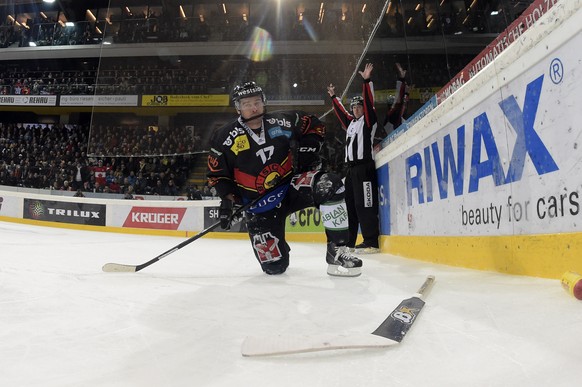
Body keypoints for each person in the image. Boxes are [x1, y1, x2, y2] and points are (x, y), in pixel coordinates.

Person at [207, 81, 362, 277]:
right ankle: (278, 246)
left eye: (257, 101)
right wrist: (227, 201)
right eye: (246, 104)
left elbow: (314, 125)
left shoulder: (283, 121)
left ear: (264, 102)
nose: (253, 107)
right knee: (274, 267)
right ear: (238, 108)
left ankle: (338, 250)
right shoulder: (224, 137)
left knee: (329, 184)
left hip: (290, 187)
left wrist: (309, 149)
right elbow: (216, 174)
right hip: (259, 207)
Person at [327, 63, 380, 254]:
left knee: (364, 204)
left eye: (359, 107)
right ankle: (349, 242)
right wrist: (334, 97)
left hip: (364, 167)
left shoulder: (368, 121)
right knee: (349, 205)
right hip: (351, 170)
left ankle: (371, 241)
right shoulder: (351, 123)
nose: (357, 109)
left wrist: (366, 81)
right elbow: (341, 112)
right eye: (354, 107)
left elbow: (369, 103)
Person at [383, 62, 409, 134]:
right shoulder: (391, 114)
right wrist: (401, 79)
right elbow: (399, 98)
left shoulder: (395, 112)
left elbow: (403, 98)